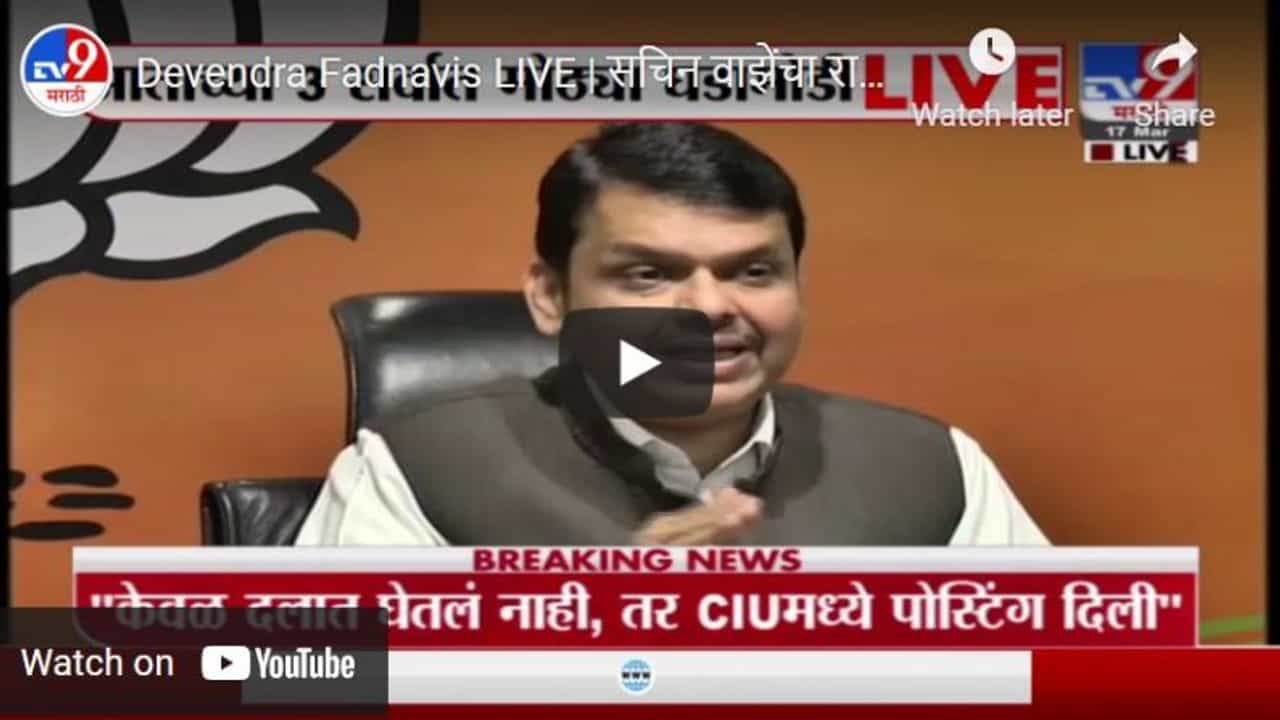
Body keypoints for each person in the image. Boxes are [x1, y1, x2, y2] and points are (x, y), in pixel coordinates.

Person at [295, 122, 1047, 547]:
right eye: (649, 275)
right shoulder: (415, 471)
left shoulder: (932, 470)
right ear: (552, 297)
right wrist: (604, 635)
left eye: (754, 271)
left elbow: (1058, 683)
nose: (710, 307)